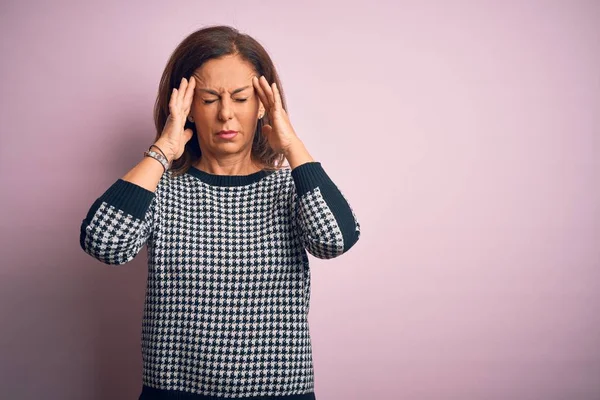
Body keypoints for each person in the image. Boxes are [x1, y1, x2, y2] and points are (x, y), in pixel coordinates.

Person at [79, 25, 361, 400]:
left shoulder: (290, 187)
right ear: (187, 108)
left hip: (279, 392)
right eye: (209, 99)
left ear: (263, 104)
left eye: (241, 98)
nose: (226, 114)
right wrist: (163, 148)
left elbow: (335, 240)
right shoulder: (160, 188)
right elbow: (103, 243)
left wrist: (292, 144)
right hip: (174, 392)